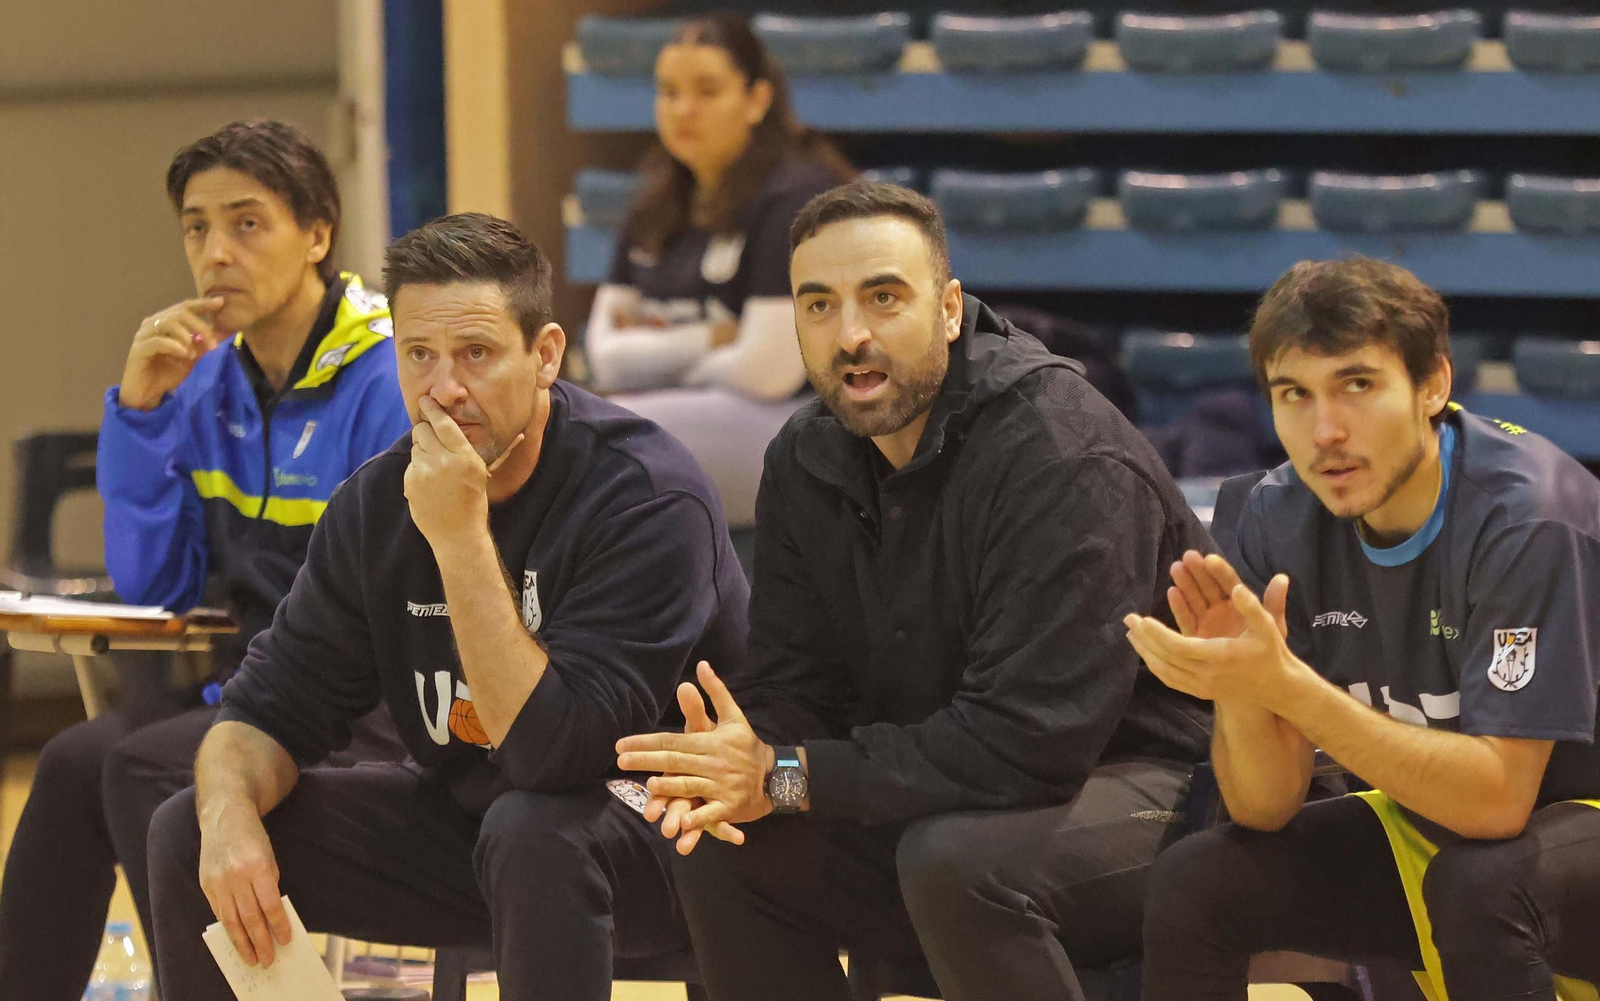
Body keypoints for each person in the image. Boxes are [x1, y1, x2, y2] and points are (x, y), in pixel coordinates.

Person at [616, 181, 1214, 1001]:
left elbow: (1026, 746)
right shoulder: (805, 458)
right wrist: (734, 762)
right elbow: (801, 684)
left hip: (1162, 788)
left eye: (884, 297)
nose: (851, 335)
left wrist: (783, 773)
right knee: (725, 846)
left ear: (950, 309)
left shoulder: (1059, 457)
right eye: (818, 305)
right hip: (958, 783)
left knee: (959, 863)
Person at [144, 212, 751, 1001]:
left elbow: (552, 756)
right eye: (418, 355)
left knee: (532, 830)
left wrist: (462, 540)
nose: (444, 388)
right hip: (482, 826)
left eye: (476, 354)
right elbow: (265, 709)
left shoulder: (645, 497)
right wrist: (228, 817)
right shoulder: (377, 504)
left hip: (677, 838)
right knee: (189, 824)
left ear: (545, 356)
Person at [0, 119, 410, 1001]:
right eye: (196, 227)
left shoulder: (387, 374)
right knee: (72, 763)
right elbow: (158, 584)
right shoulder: (208, 381)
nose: (216, 251)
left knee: (141, 766)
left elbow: (398, 596)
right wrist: (140, 413)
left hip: (372, 698)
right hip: (257, 684)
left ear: (318, 234)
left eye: (247, 222)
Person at [1127, 257, 1600, 1001]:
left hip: (1568, 821)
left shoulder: (1526, 517)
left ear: (1433, 384)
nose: (1325, 431)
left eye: (1358, 385)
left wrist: (1292, 688)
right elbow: (1264, 803)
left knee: (1481, 885)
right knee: (1200, 877)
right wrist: (1244, 689)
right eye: (1294, 394)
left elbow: (1499, 799)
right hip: (1446, 829)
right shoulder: (1270, 515)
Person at [585, 13, 853, 526]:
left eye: (707, 91)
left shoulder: (795, 199)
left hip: (798, 427)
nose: (683, 110)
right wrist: (712, 339)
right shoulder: (654, 204)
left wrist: (658, 358)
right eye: (667, 92)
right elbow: (606, 359)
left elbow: (768, 371)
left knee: (602, 443)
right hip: (700, 410)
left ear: (756, 100)